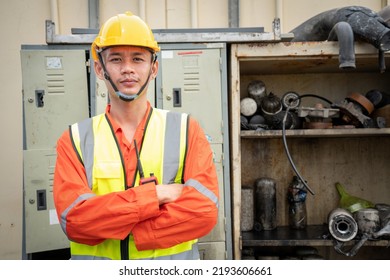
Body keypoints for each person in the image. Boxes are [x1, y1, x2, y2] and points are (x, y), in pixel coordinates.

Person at [53, 11, 219, 260]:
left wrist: (120, 225)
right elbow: (75, 221)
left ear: (154, 68)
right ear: (100, 68)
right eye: (117, 59)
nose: (128, 69)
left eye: (138, 59)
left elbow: (204, 212)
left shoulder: (187, 129)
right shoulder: (75, 139)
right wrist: (156, 195)